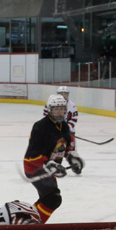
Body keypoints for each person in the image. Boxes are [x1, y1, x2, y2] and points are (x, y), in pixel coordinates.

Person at [23, 93, 73, 222]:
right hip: (35, 169)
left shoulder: (64, 126)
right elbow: (32, 155)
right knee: (52, 199)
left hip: (49, 170)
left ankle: (27, 223)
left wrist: (72, 156)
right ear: (50, 110)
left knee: (48, 199)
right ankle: (31, 225)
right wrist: (49, 164)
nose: (59, 112)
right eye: (56, 109)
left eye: (61, 108)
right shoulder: (40, 126)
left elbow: (66, 146)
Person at [42, 85, 84, 174]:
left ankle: (74, 163)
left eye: (65, 93)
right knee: (56, 149)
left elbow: (74, 118)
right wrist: (53, 127)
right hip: (54, 131)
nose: (64, 95)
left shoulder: (72, 106)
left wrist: (66, 129)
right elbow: (46, 115)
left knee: (70, 150)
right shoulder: (50, 103)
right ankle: (53, 164)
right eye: (62, 93)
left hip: (69, 132)